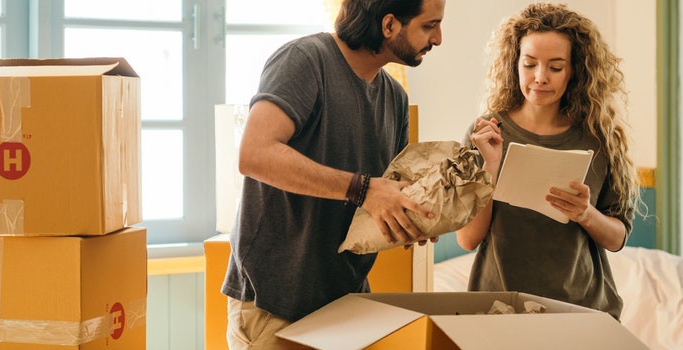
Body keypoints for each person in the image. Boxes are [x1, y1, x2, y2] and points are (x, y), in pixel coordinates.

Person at [221, 0, 445, 348]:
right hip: (273, 305)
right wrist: (363, 189)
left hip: (346, 305)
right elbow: (255, 154)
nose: (439, 38)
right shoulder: (305, 60)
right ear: (389, 26)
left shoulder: (396, 99)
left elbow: (381, 198)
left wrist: (417, 217)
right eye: (429, 26)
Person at [457, 2, 642, 320]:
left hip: (582, 312)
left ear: (575, 70)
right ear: (515, 63)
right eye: (529, 64)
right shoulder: (486, 134)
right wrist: (490, 167)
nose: (540, 78)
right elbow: (467, 239)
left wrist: (586, 214)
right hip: (500, 311)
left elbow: (617, 237)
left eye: (555, 67)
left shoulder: (598, 139)